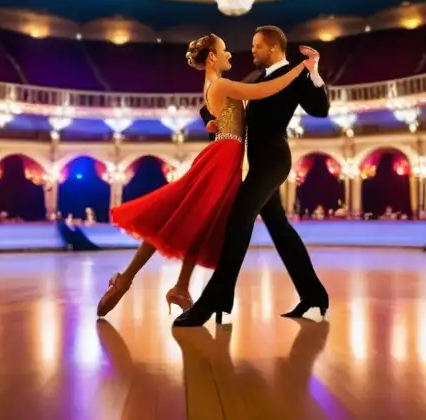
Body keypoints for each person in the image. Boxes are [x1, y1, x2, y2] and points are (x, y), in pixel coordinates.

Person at [96, 33, 317, 318]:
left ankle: (177, 286)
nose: (230, 55)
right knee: (185, 215)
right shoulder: (222, 83)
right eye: (225, 50)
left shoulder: (211, 84)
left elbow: (215, 116)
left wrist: (213, 122)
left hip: (225, 153)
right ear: (212, 56)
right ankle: (130, 279)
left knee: (196, 218)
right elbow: (266, 90)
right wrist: (300, 69)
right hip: (224, 157)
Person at [175, 25, 330, 327]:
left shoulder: (296, 75)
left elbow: (321, 109)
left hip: (273, 160)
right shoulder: (258, 78)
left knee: (237, 223)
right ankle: (313, 295)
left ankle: (213, 301)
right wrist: (211, 119)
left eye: (257, 46)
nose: (253, 51)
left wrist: (314, 72)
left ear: (273, 47)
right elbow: (216, 100)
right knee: (280, 230)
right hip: (257, 163)